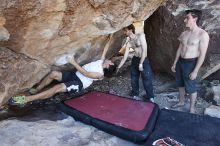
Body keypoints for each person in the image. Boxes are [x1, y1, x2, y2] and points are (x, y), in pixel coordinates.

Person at [10, 35, 116, 105]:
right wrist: (111, 37)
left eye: (111, 62)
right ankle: (37, 89)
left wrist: (72, 61)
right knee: (53, 74)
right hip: (75, 74)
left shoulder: (99, 74)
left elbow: (85, 73)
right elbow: (105, 50)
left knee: (56, 88)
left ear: (108, 66)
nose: (110, 60)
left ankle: (26, 99)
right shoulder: (101, 61)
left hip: (79, 82)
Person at [171, 9, 209, 113]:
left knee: (191, 87)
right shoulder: (184, 33)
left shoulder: (202, 34)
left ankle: (192, 108)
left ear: (195, 19)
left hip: (191, 63)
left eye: (187, 18)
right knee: (180, 84)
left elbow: (202, 54)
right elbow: (179, 49)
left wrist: (195, 71)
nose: (184, 20)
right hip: (181, 62)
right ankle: (181, 102)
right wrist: (175, 62)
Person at [117, 24, 154, 102]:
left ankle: (150, 97)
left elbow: (145, 51)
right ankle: (135, 94)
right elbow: (125, 57)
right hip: (135, 60)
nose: (124, 32)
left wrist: (141, 63)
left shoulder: (141, 36)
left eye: (125, 30)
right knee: (134, 78)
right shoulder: (129, 43)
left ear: (130, 30)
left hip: (143, 60)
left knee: (147, 78)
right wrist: (119, 67)